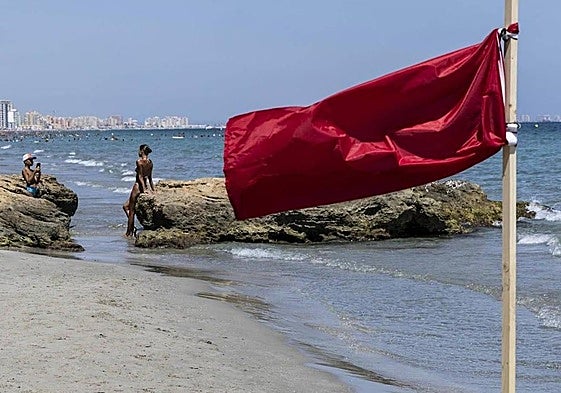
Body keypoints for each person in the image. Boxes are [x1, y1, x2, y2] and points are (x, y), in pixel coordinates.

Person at [123, 144, 155, 237]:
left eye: (139, 150)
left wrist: (143, 189)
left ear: (141, 151)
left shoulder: (139, 162)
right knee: (125, 206)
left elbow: (140, 176)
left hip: (137, 187)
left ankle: (129, 233)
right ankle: (132, 228)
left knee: (131, 211)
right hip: (145, 185)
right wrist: (152, 189)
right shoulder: (150, 162)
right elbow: (150, 178)